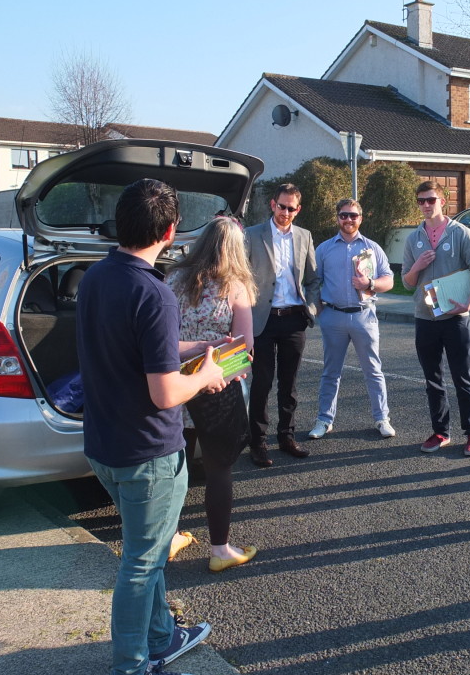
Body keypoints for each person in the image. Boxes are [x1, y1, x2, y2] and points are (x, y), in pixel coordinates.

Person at [77, 178, 222, 675]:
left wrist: (199, 351)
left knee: (151, 548)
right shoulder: (155, 294)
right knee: (140, 563)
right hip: (148, 454)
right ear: (170, 229)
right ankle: (132, 663)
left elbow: (144, 354)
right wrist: (208, 377)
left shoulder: (95, 278)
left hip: (103, 445)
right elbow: (164, 392)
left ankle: (162, 636)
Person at [166, 216, 259, 574]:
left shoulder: (173, 279)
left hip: (178, 384)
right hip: (218, 387)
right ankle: (220, 549)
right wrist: (218, 369)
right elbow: (244, 350)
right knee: (219, 468)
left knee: (177, 466)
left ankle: (170, 535)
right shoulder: (237, 287)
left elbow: (163, 344)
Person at [401, 180, 470, 457]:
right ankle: (441, 431)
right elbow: (406, 283)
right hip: (425, 318)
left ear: (443, 200)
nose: (426, 205)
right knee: (433, 379)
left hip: (455, 318)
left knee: (463, 376)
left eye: (430, 199)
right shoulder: (413, 238)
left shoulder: (460, 233)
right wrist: (417, 266)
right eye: (421, 201)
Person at [244, 183, 320, 467]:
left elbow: (313, 279)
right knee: (261, 384)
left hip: (293, 320)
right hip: (261, 320)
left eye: (291, 208)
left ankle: (286, 437)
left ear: (297, 210)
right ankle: (258, 443)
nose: (285, 212)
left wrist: (310, 309)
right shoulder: (251, 235)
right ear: (272, 204)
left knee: (289, 385)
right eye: (281, 206)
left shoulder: (304, 236)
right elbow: (241, 277)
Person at [309, 197, 396, 439]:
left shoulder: (372, 248)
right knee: (330, 372)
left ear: (361, 218)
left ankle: (382, 418)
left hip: (363, 316)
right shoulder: (324, 249)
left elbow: (389, 280)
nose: (348, 219)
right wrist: (319, 310)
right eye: (343, 215)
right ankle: (324, 420)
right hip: (333, 316)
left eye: (353, 215)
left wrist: (370, 283)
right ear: (337, 218)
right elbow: (314, 282)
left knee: (373, 370)